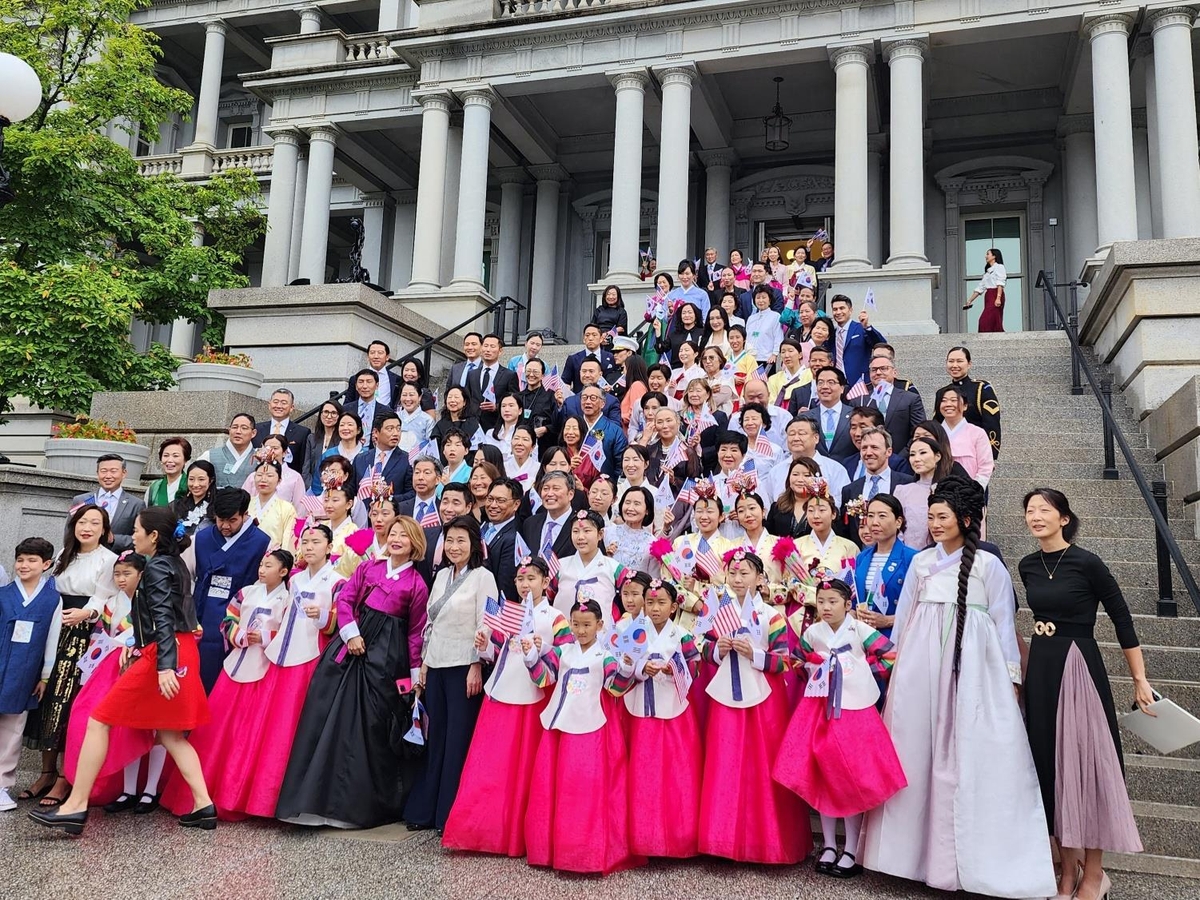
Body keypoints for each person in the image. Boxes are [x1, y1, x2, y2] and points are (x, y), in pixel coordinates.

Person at [861, 476, 1056, 898]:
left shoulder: (988, 566)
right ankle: (908, 857)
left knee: (971, 751)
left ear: (965, 519)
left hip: (975, 667)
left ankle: (975, 858)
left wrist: (1011, 678)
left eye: (942, 516)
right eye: (930, 516)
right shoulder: (921, 562)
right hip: (920, 665)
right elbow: (905, 616)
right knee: (916, 748)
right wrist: (892, 666)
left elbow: (1005, 624)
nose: (934, 524)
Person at [31, 507, 215, 834]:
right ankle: (204, 805)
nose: (134, 535)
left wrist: (164, 667)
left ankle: (75, 807)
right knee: (171, 734)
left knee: (99, 719)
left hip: (162, 653)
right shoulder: (174, 564)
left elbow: (162, 618)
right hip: (180, 650)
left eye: (138, 530)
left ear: (154, 536)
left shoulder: (157, 567)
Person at [1019, 489, 1149, 900]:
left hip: (1079, 664)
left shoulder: (1088, 562)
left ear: (1064, 518)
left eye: (1045, 510)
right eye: (1029, 511)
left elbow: (1122, 618)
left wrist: (1139, 678)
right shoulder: (1026, 565)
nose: (1035, 516)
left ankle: (1095, 875)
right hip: (1041, 665)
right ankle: (1066, 873)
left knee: (1086, 767)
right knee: (1049, 766)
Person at [277, 517, 428, 829]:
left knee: (370, 726)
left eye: (404, 535)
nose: (396, 539)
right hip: (350, 648)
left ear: (415, 543)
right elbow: (345, 599)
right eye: (393, 533)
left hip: (386, 659)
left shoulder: (417, 584)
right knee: (326, 714)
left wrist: (415, 678)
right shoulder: (368, 568)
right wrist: (350, 633)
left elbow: (415, 633)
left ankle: (357, 806)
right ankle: (313, 799)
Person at [773, 577, 905, 878]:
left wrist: (860, 672)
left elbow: (891, 655)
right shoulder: (813, 632)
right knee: (823, 773)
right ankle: (830, 844)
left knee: (850, 775)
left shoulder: (859, 630)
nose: (826, 607)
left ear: (848, 605)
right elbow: (796, 661)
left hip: (854, 710)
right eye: (821, 602)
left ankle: (851, 848)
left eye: (833, 601)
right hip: (819, 709)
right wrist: (813, 668)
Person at [442, 556, 572, 857]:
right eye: (520, 579)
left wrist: (542, 649)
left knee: (524, 768)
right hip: (500, 692)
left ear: (545, 582)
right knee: (490, 765)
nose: (525, 584)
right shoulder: (507, 612)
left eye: (532, 578)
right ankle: (482, 831)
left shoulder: (555, 618)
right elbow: (496, 648)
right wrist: (484, 643)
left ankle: (519, 836)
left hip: (532, 696)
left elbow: (566, 651)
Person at [159, 549, 296, 820]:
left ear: (283, 572)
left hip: (267, 668)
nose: (262, 569)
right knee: (218, 727)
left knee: (252, 731)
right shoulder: (246, 593)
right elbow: (228, 620)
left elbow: (290, 630)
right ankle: (204, 791)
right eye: (261, 564)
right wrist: (240, 635)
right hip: (238, 662)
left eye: (269, 565)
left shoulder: (288, 599)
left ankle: (242, 796)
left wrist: (267, 636)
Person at [698, 549, 808, 863]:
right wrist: (716, 649)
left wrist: (754, 654)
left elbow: (785, 660)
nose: (738, 578)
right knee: (724, 759)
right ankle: (721, 842)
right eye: (733, 573)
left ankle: (766, 843)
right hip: (726, 696)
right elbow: (701, 648)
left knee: (762, 762)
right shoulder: (719, 611)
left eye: (745, 573)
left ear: (760, 578)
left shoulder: (772, 616)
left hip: (763, 698)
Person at [524, 598, 642, 875]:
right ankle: (552, 849)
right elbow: (544, 678)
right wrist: (531, 658)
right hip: (560, 728)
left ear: (600, 626)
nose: (580, 630)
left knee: (585, 787)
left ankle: (585, 851)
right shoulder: (563, 651)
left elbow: (616, 688)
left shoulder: (606, 656)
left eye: (587, 625)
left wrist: (626, 669)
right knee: (554, 786)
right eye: (576, 624)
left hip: (593, 728)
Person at [404, 515, 496, 832]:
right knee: (437, 737)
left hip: (463, 666)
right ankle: (427, 810)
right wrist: (425, 664)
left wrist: (476, 664)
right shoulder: (441, 575)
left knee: (458, 739)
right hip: (438, 662)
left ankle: (450, 815)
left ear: (474, 545)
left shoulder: (484, 576)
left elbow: (487, 623)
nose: (455, 547)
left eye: (462, 540)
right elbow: (431, 623)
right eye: (451, 540)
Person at [23, 505, 117, 808]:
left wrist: (85, 613)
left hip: (83, 636)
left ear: (104, 529)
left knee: (67, 702)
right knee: (45, 699)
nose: (86, 527)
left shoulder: (109, 560)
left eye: (94, 523)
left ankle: (66, 777)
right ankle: (46, 772)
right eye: (81, 522)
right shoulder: (65, 554)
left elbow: (104, 598)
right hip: (53, 629)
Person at [62, 552, 157, 810]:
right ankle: (126, 789)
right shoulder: (111, 604)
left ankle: (150, 789)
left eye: (127, 573)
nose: (121, 579)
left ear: (141, 574)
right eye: (117, 573)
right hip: (112, 668)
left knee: (154, 729)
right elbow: (101, 636)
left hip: (144, 667)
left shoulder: (151, 601)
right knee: (116, 726)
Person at [624, 580, 702, 858]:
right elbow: (621, 663)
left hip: (674, 712)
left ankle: (677, 838)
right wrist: (638, 667)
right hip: (638, 710)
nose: (655, 609)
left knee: (675, 772)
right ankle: (642, 838)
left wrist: (674, 669)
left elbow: (696, 665)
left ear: (673, 607)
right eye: (650, 602)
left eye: (661, 603)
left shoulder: (682, 634)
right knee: (641, 772)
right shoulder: (634, 633)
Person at [0, 538, 60, 813]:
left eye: (32, 560)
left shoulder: (52, 600)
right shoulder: (3, 594)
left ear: (46, 565)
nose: (24, 565)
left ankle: (2, 784)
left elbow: (52, 639)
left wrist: (45, 676)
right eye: (21, 559)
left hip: (25, 671)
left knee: (13, 729)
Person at [192, 487, 272, 691]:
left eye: (232, 520)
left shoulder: (261, 542)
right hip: (201, 610)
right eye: (220, 519)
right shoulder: (202, 538)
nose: (225, 526)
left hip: (236, 615)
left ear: (245, 515)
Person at [852, 495, 918, 637]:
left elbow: (920, 608)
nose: (874, 522)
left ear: (898, 522)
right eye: (870, 516)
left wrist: (888, 620)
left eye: (882, 516)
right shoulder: (862, 558)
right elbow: (854, 600)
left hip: (895, 637)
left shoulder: (913, 558)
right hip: (863, 638)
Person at [554, 510, 625, 624]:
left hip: (602, 636)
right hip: (564, 636)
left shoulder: (615, 568)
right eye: (575, 531)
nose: (580, 537)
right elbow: (549, 596)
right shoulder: (559, 566)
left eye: (587, 531)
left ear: (600, 534)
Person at [840, 428, 916, 534]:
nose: (868, 453)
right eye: (864, 448)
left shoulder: (907, 483)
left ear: (888, 452)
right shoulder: (849, 490)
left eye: (874, 447)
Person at [72, 454, 145, 553]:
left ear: (124, 473)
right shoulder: (81, 500)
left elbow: (142, 537)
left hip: (118, 561)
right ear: (97, 473)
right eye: (103, 471)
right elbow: (69, 531)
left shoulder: (136, 504)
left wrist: (114, 539)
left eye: (113, 471)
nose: (108, 476)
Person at [893, 435, 952, 550]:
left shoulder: (949, 489)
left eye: (923, 453)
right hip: (908, 557)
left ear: (937, 456)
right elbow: (896, 527)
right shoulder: (902, 491)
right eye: (912, 454)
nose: (916, 459)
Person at [857, 355, 927, 450]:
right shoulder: (859, 401)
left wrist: (901, 457)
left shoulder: (910, 399)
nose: (878, 372)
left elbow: (920, 432)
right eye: (874, 370)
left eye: (883, 368)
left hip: (902, 458)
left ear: (894, 372)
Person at [946, 346, 1002, 458]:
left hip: (974, 453)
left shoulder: (981, 388)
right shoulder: (943, 392)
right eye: (951, 361)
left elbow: (991, 423)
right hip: (948, 454)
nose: (954, 365)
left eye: (960, 361)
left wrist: (989, 454)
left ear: (969, 364)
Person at [934, 385, 994, 490]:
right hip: (938, 492)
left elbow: (985, 466)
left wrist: (975, 489)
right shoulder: (933, 433)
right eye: (944, 401)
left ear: (965, 406)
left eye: (954, 400)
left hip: (969, 492)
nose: (948, 404)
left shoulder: (977, 433)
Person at [353, 411, 415, 501]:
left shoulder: (408, 460)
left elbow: (412, 494)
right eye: (390, 429)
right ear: (376, 432)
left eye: (398, 429)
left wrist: (389, 498)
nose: (396, 433)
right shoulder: (360, 459)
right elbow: (351, 490)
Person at [520, 471, 578, 564]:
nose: (549, 493)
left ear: (570, 494)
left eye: (556, 489)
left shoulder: (581, 524)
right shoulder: (530, 523)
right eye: (546, 489)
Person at [480, 479, 522, 605]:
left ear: (516, 504)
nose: (493, 505)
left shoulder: (513, 537)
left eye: (500, 501)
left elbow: (505, 586)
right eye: (490, 499)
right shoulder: (484, 526)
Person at [828, 295, 884, 387]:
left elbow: (880, 345)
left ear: (850, 310)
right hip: (836, 384)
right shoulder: (831, 334)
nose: (838, 312)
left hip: (859, 383)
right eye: (835, 309)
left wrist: (867, 327)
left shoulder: (861, 328)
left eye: (842, 308)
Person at [467, 333, 518, 432]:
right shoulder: (472, 374)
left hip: (496, 425)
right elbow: (468, 398)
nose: (488, 350)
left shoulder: (509, 375)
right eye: (485, 346)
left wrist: (497, 407)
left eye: (492, 346)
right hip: (473, 425)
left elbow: (516, 400)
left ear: (500, 351)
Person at [254, 388, 311, 474]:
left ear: (292, 407)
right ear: (269, 405)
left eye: (284, 403)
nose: (279, 406)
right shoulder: (257, 429)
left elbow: (303, 463)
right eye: (275, 402)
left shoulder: (302, 432)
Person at [805, 367, 856, 460]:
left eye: (831, 382)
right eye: (820, 382)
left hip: (848, 469)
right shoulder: (805, 417)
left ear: (842, 388)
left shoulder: (855, 415)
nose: (825, 386)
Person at [766, 457, 822, 539]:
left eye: (807, 475)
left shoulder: (824, 507)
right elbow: (769, 538)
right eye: (795, 474)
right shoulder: (777, 507)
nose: (800, 480)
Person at [199, 413, 259, 490]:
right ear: (229, 430)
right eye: (234, 427)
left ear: (253, 433)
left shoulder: (260, 458)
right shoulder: (209, 455)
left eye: (244, 428)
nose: (238, 431)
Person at [247, 459, 297, 551]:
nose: (263, 479)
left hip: (273, 560)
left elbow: (287, 541)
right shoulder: (246, 504)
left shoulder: (286, 508)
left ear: (279, 480)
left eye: (269, 476)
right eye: (259, 475)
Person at [603, 486, 656, 573]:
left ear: (647, 510)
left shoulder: (652, 543)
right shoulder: (607, 532)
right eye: (627, 502)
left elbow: (654, 578)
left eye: (637, 504)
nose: (630, 508)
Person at [513, 358, 558, 447]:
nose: (531, 374)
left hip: (544, 444)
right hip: (520, 443)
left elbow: (558, 422)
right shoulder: (517, 397)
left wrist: (546, 429)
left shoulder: (551, 396)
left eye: (535, 372)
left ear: (543, 375)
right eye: (528, 371)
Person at [563, 324, 616, 394]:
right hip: (580, 400)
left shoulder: (611, 357)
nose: (590, 338)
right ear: (583, 339)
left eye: (594, 335)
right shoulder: (573, 359)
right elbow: (565, 382)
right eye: (587, 335)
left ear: (601, 339)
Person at [964, 247, 1007, 332]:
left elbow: (1000, 283)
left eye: (988, 254)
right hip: (989, 296)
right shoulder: (987, 273)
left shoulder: (999, 267)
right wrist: (969, 301)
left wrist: (998, 298)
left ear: (994, 256)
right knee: (991, 320)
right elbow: (980, 288)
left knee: (985, 320)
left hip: (995, 294)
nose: (985, 256)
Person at [302, 401, 342, 490]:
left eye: (334, 413)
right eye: (326, 412)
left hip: (335, 488)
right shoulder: (311, 438)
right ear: (320, 414)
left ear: (339, 416)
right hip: (312, 488)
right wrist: (311, 488)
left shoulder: (342, 439)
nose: (329, 416)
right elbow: (306, 468)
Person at [145, 438, 192, 507]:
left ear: (185, 459)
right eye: (166, 455)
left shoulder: (191, 485)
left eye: (175, 456)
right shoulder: (154, 487)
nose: (169, 460)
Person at [658, 302, 705, 368]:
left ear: (696, 315)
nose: (686, 315)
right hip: (677, 370)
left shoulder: (703, 332)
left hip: (699, 370)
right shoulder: (674, 334)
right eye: (684, 313)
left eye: (690, 312)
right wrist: (658, 331)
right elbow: (660, 349)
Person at [397, 383, 434, 451]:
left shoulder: (427, 420)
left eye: (411, 395)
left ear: (420, 397)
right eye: (404, 395)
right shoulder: (395, 417)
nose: (408, 399)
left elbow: (431, 447)